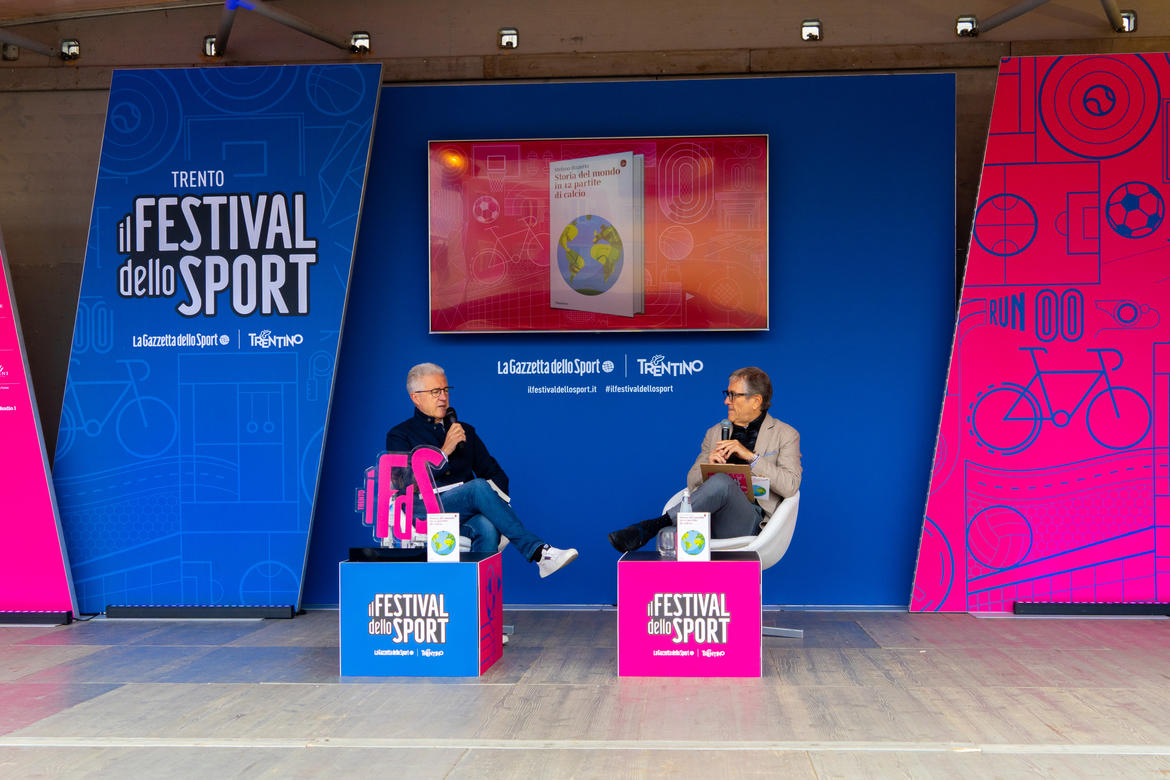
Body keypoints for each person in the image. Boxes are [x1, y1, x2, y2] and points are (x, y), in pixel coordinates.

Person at [386, 362, 578, 578]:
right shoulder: (400, 435)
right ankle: (539, 552)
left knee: (487, 525)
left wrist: (496, 508)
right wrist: (444, 452)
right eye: (435, 392)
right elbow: (406, 484)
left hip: (462, 512)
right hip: (422, 509)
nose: (443, 397)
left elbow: (495, 473)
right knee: (477, 487)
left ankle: (472, 592)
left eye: (445, 390)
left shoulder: (464, 431)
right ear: (416, 397)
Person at [608, 366, 801, 552]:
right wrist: (708, 464)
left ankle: (652, 526)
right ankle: (665, 534)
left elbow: (790, 486)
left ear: (756, 401)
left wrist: (752, 458)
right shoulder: (715, 432)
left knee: (722, 482)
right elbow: (691, 482)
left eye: (733, 395)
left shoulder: (785, 434)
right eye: (727, 394)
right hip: (709, 518)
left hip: (751, 522)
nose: (726, 401)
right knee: (669, 535)